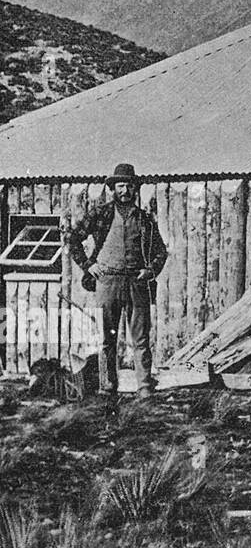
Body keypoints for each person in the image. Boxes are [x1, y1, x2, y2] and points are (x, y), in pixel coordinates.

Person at [65, 162, 169, 397]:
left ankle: (144, 388)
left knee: (140, 339)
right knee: (107, 339)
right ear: (113, 188)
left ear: (135, 189)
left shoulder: (144, 219)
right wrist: (88, 265)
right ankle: (108, 387)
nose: (125, 191)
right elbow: (72, 238)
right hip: (107, 282)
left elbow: (161, 252)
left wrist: (150, 271)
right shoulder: (101, 213)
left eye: (129, 186)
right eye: (121, 186)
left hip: (136, 283)